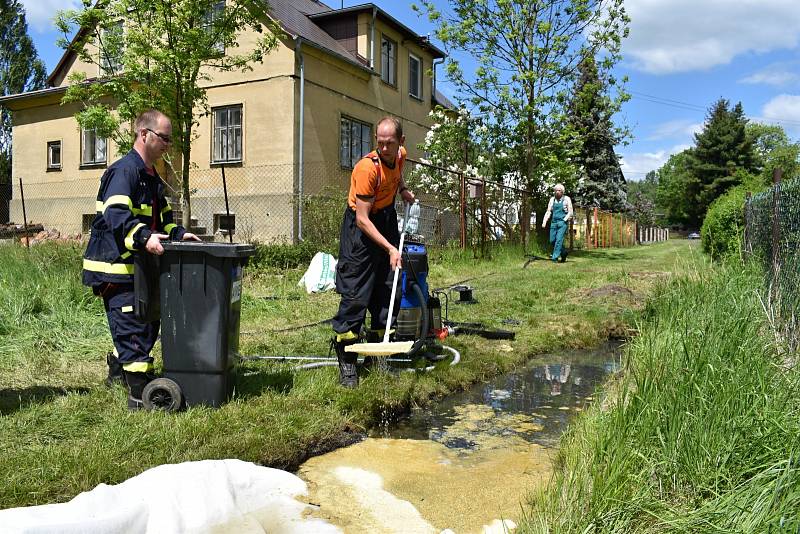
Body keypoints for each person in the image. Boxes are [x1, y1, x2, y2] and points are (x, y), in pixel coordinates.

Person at [82, 109, 199, 409]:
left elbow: (163, 220)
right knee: (133, 326)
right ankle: (139, 396)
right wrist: (144, 237)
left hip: (139, 267)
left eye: (170, 140)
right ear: (144, 134)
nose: (167, 145)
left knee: (147, 323)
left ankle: (118, 370)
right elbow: (116, 215)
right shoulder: (124, 171)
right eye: (164, 138)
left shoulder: (152, 177)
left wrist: (178, 234)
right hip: (116, 268)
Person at [331, 117, 416, 388]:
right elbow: (362, 220)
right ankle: (347, 362)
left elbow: (398, 171)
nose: (384, 148)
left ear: (400, 142)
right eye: (380, 142)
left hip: (386, 219)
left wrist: (402, 189)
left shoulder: (400, 155)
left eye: (389, 143)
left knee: (387, 289)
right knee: (356, 291)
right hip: (361, 229)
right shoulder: (367, 169)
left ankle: (377, 356)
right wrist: (390, 247)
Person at [541, 183, 573, 262]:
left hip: (562, 223)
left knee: (559, 240)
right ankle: (564, 253)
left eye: (559, 190)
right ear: (554, 191)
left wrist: (564, 220)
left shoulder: (566, 199)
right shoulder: (552, 199)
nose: (557, 192)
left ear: (562, 192)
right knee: (552, 240)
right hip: (554, 222)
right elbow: (548, 211)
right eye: (556, 190)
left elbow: (570, 212)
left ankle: (554, 257)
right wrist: (544, 221)